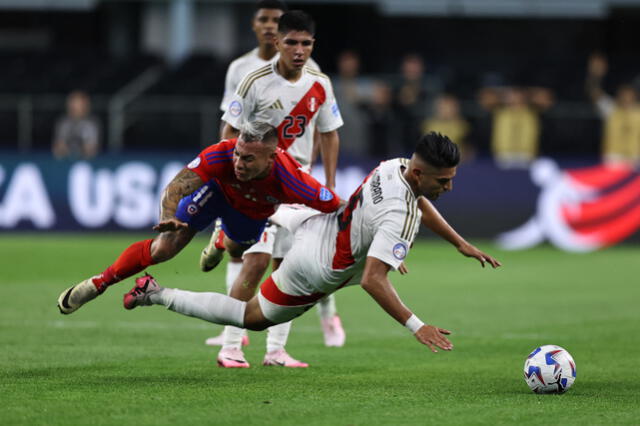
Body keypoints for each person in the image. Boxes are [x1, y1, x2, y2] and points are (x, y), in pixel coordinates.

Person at [123, 132, 502, 359]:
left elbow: (420, 200)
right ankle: (157, 293)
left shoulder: (395, 166)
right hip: (320, 266)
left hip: (318, 224)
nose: (448, 187)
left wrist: (458, 243)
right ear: (420, 173)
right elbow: (373, 279)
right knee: (251, 317)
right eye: (444, 180)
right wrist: (416, 326)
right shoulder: (399, 215)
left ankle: (235, 230)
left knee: (275, 214)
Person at [56, 122, 341, 326]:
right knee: (164, 249)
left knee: (236, 249)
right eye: (238, 154)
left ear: (271, 156)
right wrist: (167, 216)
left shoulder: (292, 180)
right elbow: (175, 187)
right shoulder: (221, 154)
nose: (239, 162)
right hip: (215, 194)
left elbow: (337, 208)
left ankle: (219, 241)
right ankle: (98, 283)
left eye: (248, 158)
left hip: (251, 213)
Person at [200, 10, 345, 367]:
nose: (298, 50)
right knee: (256, 262)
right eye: (291, 42)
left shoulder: (320, 84)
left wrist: (327, 182)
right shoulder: (253, 80)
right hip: (260, 185)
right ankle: (231, 345)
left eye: (305, 43)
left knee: (291, 266)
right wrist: (234, 179)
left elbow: (329, 132)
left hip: (297, 186)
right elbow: (228, 132)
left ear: (313, 44)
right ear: (277, 42)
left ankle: (276, 350)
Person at [586, 52, 640, 167]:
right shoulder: (611, 109)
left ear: (634, 95)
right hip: (613, 160)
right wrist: (595, 76)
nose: (626, 97)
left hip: (636, 160)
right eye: (623, 93)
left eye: (629, 94)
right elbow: (593, 92)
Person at [52, 90, 100, 159]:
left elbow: (91, 149)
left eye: (78, 104)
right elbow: (58, 147)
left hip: (87, 162)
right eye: (72, 103)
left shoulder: (92, 123)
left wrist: (77, 153)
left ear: (85, 105)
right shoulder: (63, 123)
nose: (74, 106)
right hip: (64, 162)